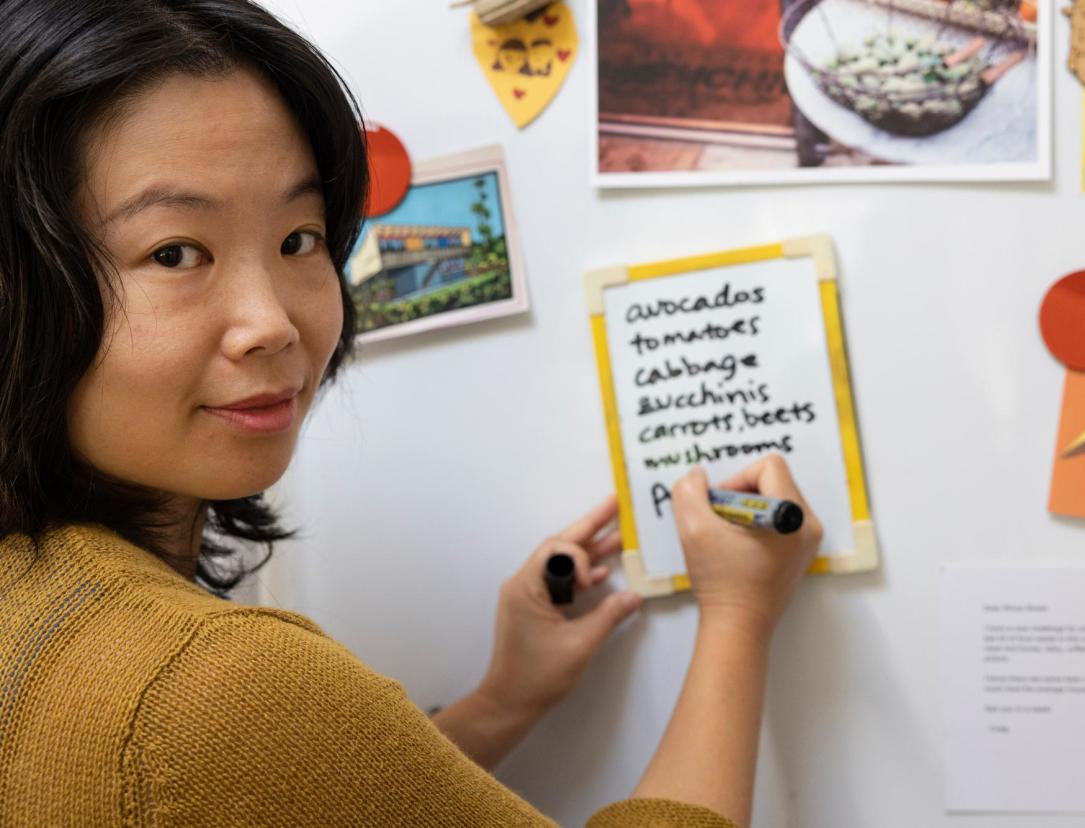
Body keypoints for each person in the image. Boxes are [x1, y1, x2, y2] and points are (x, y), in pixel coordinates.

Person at [0, 1, 824, 825]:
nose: (274, 322)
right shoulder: (206, 684)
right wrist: (738, 615)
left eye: (299, 239)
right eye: (176, 253)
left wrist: (501, 701)